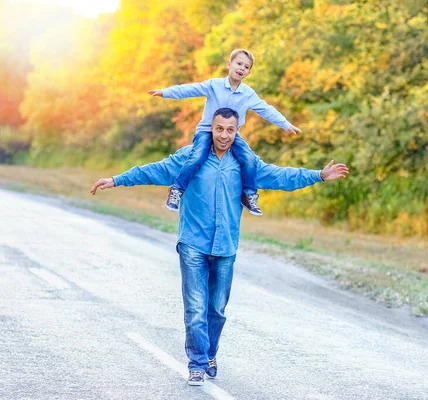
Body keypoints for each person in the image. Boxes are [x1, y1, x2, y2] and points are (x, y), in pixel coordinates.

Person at [90, 108, 349, 386]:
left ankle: (210, 353)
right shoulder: (192, 158)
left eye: (230, 130)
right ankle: (197, 364)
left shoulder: (244, 164)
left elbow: (280, 176)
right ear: (210, 129)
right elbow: (155, 170)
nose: (224, 135)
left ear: (236, 132)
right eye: (219, 129)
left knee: (217, 309)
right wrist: (116, 180)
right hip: (193, 243)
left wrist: (318, 175)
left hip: (225, 246)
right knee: (196, 307)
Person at [148, 49, 302, 216]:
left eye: (246, 66)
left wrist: (286, 124)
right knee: (197, 155)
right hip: (207, 131)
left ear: (249, 72)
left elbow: (266, 109)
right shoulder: (214, 86)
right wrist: (165, 92)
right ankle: (177, 189)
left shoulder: (248, 94)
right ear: (229, 64)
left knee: (249, 159)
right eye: (239, 63)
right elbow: (190, 89)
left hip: (232, 136)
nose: (241, 68)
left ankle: (249, 194)